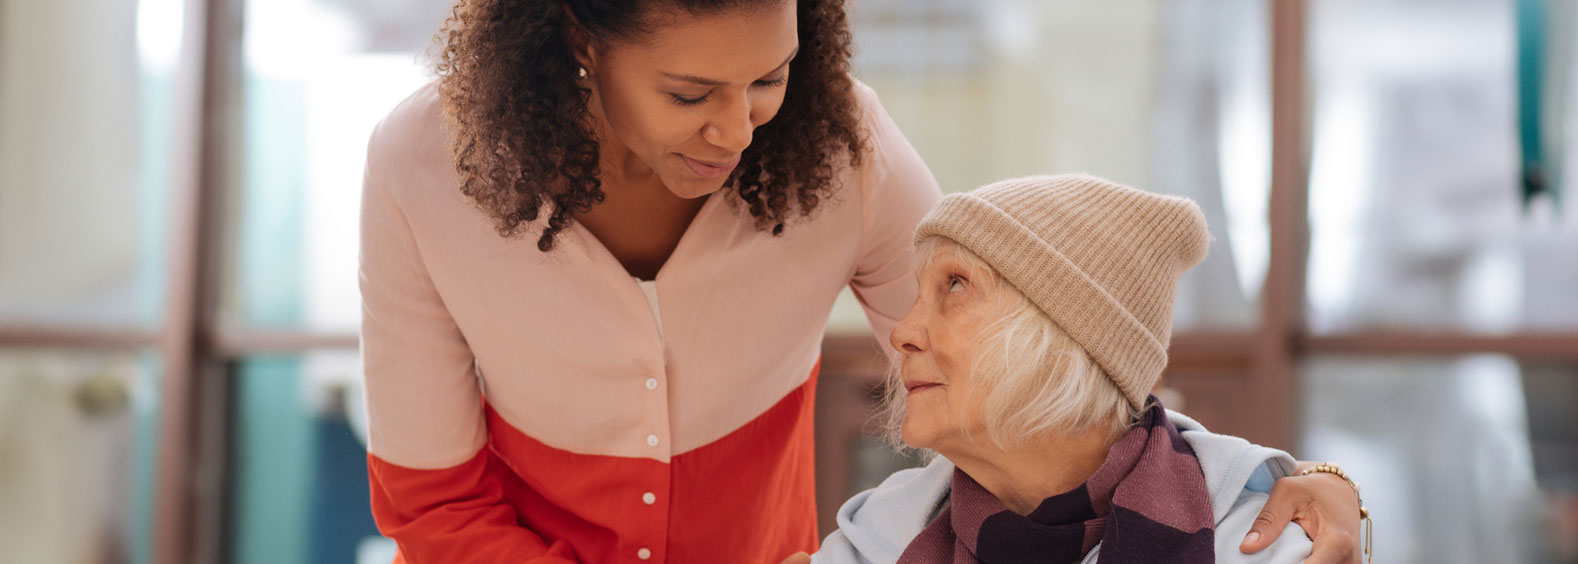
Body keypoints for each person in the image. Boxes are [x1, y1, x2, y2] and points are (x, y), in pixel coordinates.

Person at [360, 0, 1364, 561]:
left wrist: (1269, 477)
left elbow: (1023, 365)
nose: (738, 126)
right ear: (578, 43)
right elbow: (434, 502)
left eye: (769, 76)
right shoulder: (419, 168)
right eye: (688, 92)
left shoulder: (840, 143)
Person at [787, 174, 1315, 564]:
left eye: (955, 285)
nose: (903, 331)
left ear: (1068, 342)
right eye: (918, 294)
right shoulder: (877, 536)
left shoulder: (1263, 548)